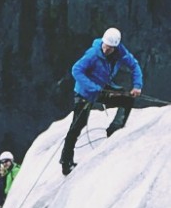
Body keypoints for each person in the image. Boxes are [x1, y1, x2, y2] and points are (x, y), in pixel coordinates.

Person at [61, 27, 143, 175]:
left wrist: (137, 86)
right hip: (85, 93)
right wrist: (94, 88)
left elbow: (134, 65)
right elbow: (76, 70)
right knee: (77, 126)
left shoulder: (121, 53)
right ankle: (66, 162)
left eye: (110, 48)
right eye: (105, 47)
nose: (106, 50)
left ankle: (114, 130)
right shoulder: (93, 54)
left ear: (116, 47)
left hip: (102, 89)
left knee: (127, 99)